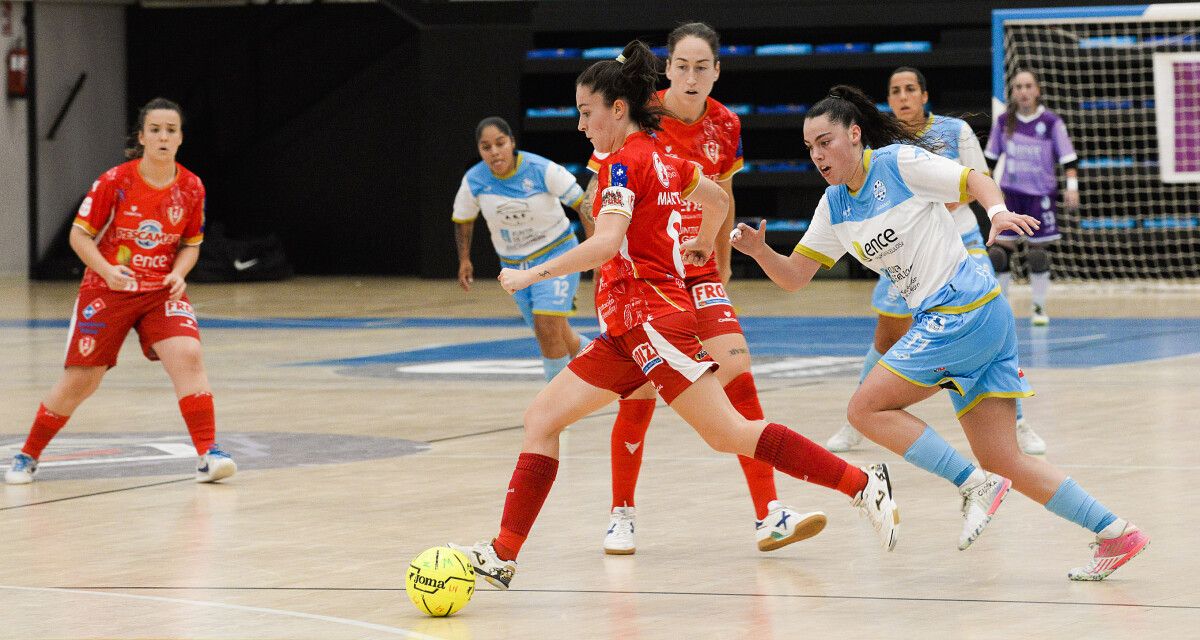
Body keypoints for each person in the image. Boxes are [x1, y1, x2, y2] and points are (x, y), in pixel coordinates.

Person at [450, 43, 900, 591]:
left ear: (618, 109)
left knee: (730, 432)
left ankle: (860, 483)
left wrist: (530, 274)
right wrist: (700, 240)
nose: (581, 125)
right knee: (541, 419)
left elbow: (606, 240)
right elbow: (714, 197)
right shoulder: (665, 157)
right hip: (623, 332)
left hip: (652, 324)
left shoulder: (622, 164)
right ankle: (503, 554)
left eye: (586, 112)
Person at [731, 85, 1148, 581]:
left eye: (825, 141)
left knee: (865, 409)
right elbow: (796, 277)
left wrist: (996, 214)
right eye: (810, 147)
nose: (818, 154)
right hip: (977, 318)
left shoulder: (898, 163)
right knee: (1004, 458)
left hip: (960, 308)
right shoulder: (833, 207)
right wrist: (760, 253)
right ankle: (1115, 532)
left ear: (855, 134)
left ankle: (972, 485)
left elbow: (973, 179)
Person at [584, 22, 824, 556]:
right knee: (640, 388)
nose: (691, 77)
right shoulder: (639, 115)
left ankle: (770, 515)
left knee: (738, 370)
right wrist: (607, 269)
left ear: (717, 71)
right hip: (644, 271)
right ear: (667, 70)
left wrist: (721, 266)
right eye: (682, 66)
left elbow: (725, 196)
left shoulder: (727, 124)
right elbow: (594, 195)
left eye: (702, 67)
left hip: (697, 270)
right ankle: (621, 512)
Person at [5, 98, 236, 485]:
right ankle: (28, 454)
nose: (164, 137)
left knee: (189, 355)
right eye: (156, 130)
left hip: (160, 291)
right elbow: (79, 236)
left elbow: (191, 244)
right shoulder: (115, 181)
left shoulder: (192, 187)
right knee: (82, 381)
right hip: (108, 289)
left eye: (171, 130)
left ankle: (208, 453)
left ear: (180, 138)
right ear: (142, 137)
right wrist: (109, 271)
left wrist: (179, 273)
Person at [826, 67, 1047, 456]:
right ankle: (855, 420)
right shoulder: (878, 142)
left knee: (994, 318)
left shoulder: (953, 132)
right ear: (890, 99)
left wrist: (936, 197)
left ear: (924, 95)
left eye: (911, 89)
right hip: (904, 255)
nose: (904, 96)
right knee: (886, 337)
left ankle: (1018, 421)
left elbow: (978, 177)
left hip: (960, 242)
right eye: (896, 90)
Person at [452, 117, 589, 381]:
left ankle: (556, 408)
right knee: (555, 332)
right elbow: (463, 219)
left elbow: (583, 204)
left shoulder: (541, 169)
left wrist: (593, 251)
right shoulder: (474, 180)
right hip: (514, 266)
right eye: (486, 147)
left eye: (500, 143)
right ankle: (604, 363)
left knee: (547, 325)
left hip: (556, 254)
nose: (494, 152)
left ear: (512, 142)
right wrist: (464, 259)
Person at [985, 69, 1079, 326]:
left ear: (1037, 90)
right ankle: (1001, 310)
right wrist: (985, 191)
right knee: (998, 254)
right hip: (1011, 196)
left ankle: (1038, 307)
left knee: (1037, 254)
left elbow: (1069, 159)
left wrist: (1072, 186)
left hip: (1040, 198)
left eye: (1028, 86)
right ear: (1013, 92)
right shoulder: (1004, 122)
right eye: (1018, 87)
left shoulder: (1050, 122)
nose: (1023, 91)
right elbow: (990, 161)